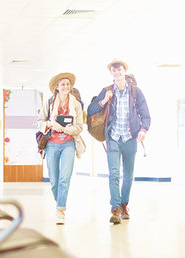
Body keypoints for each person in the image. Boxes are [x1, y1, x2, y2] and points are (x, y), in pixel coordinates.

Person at [87, 59, 151, 224]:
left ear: (124, 71)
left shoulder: (136, 92)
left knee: (128, 176)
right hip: (113, 138)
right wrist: (103, 101)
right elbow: (91, 110)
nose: (117, 72)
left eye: (119, 69)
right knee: (114, 174)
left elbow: (146, 115)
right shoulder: (107, 91)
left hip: (130, 138)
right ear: (111, 74)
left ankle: (124, 205)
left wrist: (143, 130)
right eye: (113, 70)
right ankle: (115, 208)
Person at [37, 72, 83, 225]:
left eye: (68, 84)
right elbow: (39, 122)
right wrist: (50, 124)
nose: (66, 87)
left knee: (65, 178)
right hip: (51, 144)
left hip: (68, 144)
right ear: (57, 87)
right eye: (62, 84)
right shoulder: (49, 103)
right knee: (55, 181)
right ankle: (59, 201)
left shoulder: (76, 104)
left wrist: (66, 129)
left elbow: (79, 127)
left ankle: (60, 210)